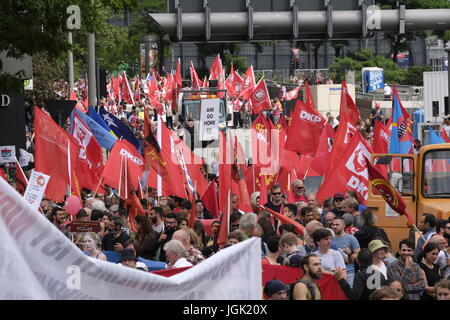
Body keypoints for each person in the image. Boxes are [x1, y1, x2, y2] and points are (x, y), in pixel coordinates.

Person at [331, 217, 361, 287]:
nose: (334, 227)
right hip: (334, 273)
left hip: (349, 272)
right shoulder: (330, 239)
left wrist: (349, 254)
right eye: (333, 225)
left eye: (337, 225)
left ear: (343, 226)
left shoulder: (351, 238)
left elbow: (358, 255)